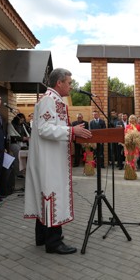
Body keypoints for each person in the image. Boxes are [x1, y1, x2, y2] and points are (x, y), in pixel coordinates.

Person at [24, 67, 91, 254]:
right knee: (52, 193)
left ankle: (42, 236)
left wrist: (71, 132)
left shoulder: (54, 100)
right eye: (69, 83)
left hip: (51, 157)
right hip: (49, 160)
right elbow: (45, 129)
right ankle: (53, 242)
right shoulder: (48, 100)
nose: (71, 86)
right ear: (59, 82)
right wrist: (71, 131)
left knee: (46, 193)